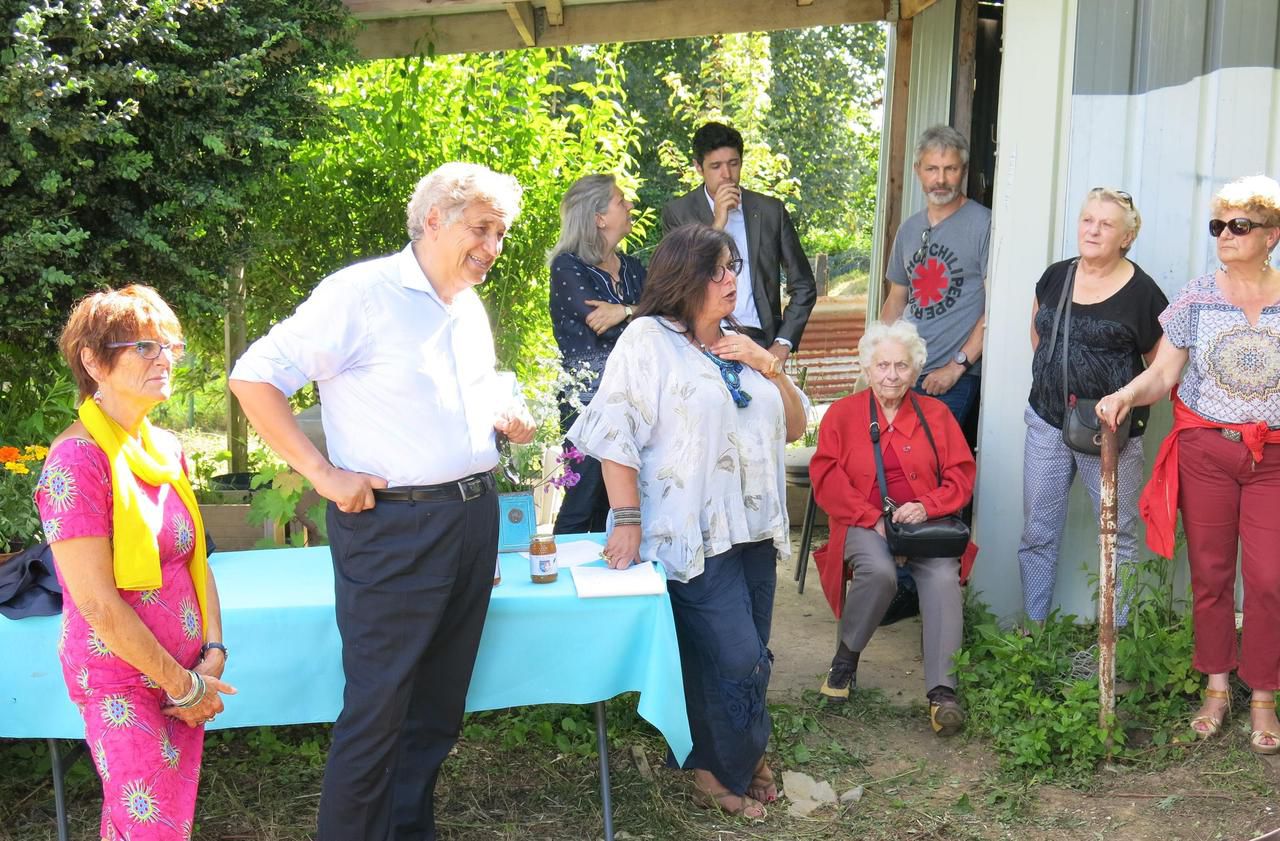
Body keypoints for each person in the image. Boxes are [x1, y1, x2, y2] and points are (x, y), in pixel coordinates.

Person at [229, 162, 536, 840]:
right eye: (481, 229)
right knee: (379, 713)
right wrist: (321, 472)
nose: (493, 247)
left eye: (502, 234)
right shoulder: (361, 294)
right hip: (395, 527)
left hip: (470, 518)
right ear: (433, 220)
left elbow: (469, 396)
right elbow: (254, 375)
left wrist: (506, 412)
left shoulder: (466, 304)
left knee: (436, 711)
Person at [569, 223, 806, 818]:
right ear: (685, 278)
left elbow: (798, 426)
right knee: (736, 657)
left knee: (748, 652)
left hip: (751, 529)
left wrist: (768, 363)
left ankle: (738, 753)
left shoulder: (743, 343)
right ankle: (717, 767)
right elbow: (615, 433)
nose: (731, 281)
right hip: (687, 532)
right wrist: (625, 518)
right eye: (718, 270)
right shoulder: (647, 340)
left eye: (734, 269)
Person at [36, 285, 235, 840]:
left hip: (185, 672)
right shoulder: (76, 461)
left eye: (170, 344)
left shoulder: (166, 449)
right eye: (144, 346)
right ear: (94, 361)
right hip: (120, 680)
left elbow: (196, 558)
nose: (166, 357)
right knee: (149, 826)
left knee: (159, 821)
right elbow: (95, 603)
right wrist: (184, 686)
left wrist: (212, 654)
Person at [1097, 174, 1280, 756]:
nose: (1225, 235)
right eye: (1218, 225)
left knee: (1271, 578)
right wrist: (1127, 393)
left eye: (1240, 226)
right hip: (1206, 450)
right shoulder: (1198, 296)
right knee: (1210, 573)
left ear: (1272, 236)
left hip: (1273, 455)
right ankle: (1218, 688)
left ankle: (1264, 695)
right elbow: (1163, 374)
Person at [809, 320, 976, 736]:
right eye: (882, 365)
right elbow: (827, 480)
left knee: (941, 577)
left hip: (924, 526)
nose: (891, 375)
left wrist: (927, 505)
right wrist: (872, 520)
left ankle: (942, 694)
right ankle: (845, 661)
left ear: (915, 371)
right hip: (863, 520)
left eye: (901, 366)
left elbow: (961, 475)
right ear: (867, 369)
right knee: (880, 572)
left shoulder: (936, 415)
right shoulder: (842, 415)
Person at [1018, 188, 1167, 627]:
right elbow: (1038, 334)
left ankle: (1115, 640)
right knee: (1038, 532)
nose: (1093, 230)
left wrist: (1121, 408)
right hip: (1046, 420)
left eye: (1105, 224)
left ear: (1127, 236)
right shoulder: (1055, 276)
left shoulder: (1143, 294)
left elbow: (1161, 371)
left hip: (1107, 431)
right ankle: (1034, 634)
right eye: (1087, 220)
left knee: (1116, 536)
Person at [661, 121, 816, 360]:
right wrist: (718, 223)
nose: (727, 175)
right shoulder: (678, 213)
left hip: (758, 339)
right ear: (698, 168)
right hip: (700, 341)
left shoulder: (770, 211)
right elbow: (680, 281)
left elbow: (803, 284)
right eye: (716, 166)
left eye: (733, 164)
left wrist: (783, 343)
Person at [548, 174, 646, 534]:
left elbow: (666, 313)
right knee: (582, 500)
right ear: (599, 217)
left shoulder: (633, 267)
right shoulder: (568, 266)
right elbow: (598, 323)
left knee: (620, 502)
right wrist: (640, 313)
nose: (630, 206)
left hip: (636, 397)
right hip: (587, 401)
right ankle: (563, 583)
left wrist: (625, 311)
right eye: (622, 201)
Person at [881, 125, 990, 425]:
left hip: (954, 377)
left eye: (950, 169)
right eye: (932, 168)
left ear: (964, 170)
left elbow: (994, 309)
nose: (940, 179)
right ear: (918, 170)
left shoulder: (984, 225)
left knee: (930, 462)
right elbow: (896, 301)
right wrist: (877, 358)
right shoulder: (909, 229)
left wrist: (957, 366)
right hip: (904, 371)